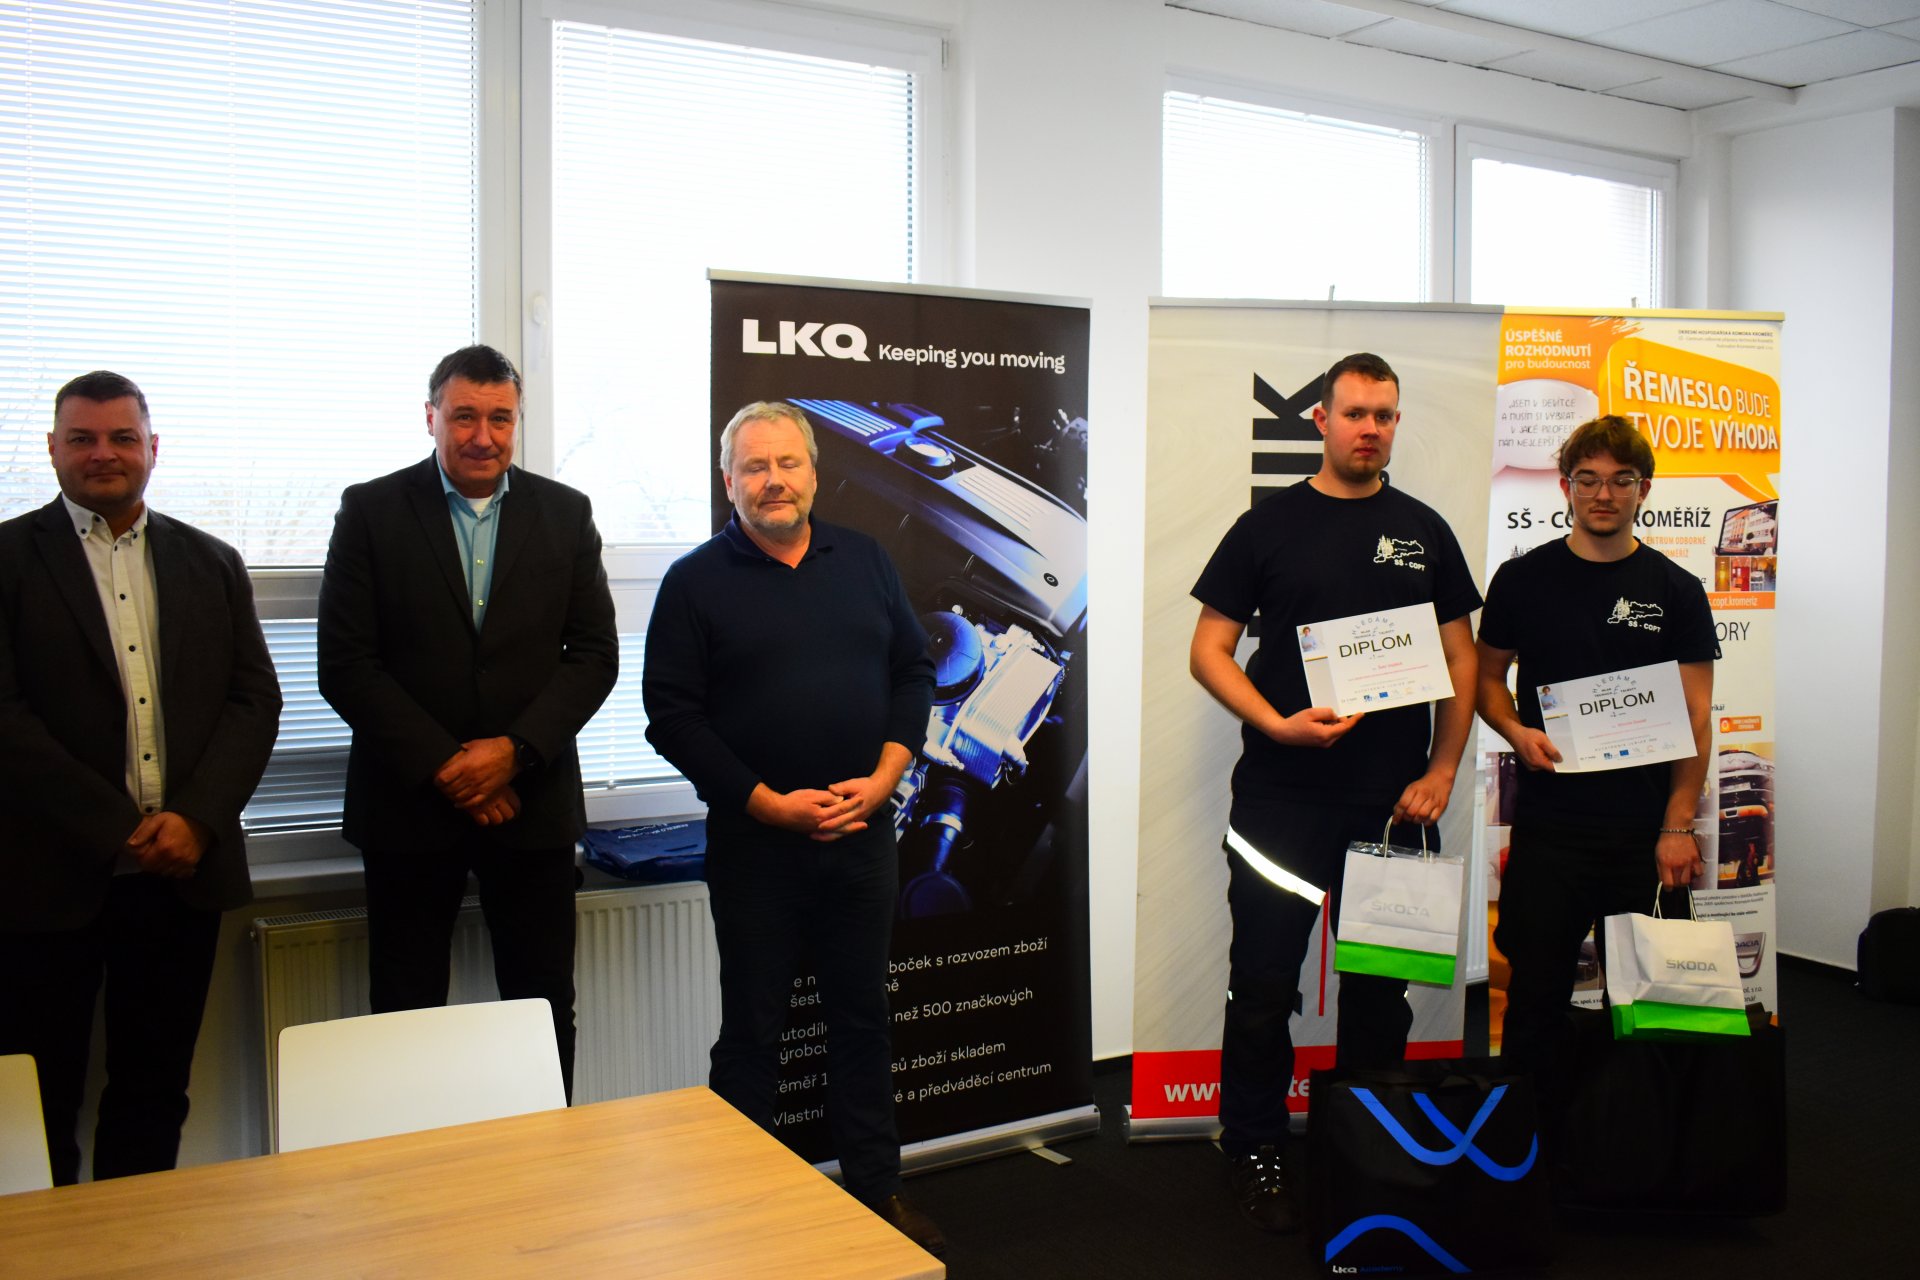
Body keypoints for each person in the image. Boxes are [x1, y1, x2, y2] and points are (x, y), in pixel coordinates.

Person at [641, 401, 943, 1255]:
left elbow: (914, 671)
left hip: (861, 841)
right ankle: (741, 1217)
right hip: (755, 849)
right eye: (754, 467)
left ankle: (877, 1196)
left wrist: (885, 778)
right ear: (728, 481)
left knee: (862, 1022)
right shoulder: (694, 582)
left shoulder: (866, 560)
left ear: (814, 472)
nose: (773, 480)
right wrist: (766, 802)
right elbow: (671, 715)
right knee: (752, 1034)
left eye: (787, 463)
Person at [1188, 352, 1480, 1233]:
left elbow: (1460, 659)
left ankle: (1366, 1146)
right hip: (1279, 801)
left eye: (1384, 416)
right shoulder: (1267, 525)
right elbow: (1208, 650)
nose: (1370, 430)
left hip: (1392, 806)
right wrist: (1275, 725)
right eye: (1355, 413)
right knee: (1262, 985)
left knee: (1381, 991)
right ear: (1320, 419)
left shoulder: (1424, 531)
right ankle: (1252, 1145)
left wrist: (1441, 771)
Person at [0, 370, 282, 1184]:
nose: (104, 454)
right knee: (37, 1099)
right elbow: (4, 718)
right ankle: (46, 1247)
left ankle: (137, 1243)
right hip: (47, 880)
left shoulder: (213, 562)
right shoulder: (8, 560)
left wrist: (197, 818)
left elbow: (254, 701)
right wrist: (116, 829)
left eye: (122, 437)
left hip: (180, 876)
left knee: (154, 1091)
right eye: (83, 438)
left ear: (153, 448)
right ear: (53, 448)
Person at [317, 345, 617, 1099]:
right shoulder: (371, 512)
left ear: (517, 421)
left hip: (532, 802)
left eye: (500, 418)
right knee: (406, 1008)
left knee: (542, 1006)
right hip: (408, 807)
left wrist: (513, 754)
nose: (483, 436)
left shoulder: (565, 513)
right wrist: (452, 768)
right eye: (464, 417)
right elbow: (347, 664)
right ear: (431, 417)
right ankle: (417, 1169)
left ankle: (545, 1161)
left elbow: (594, 657)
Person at [1475, 414, 1717, 1101]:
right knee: (1533, 1003)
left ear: (1644, 489)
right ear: (1565, 487)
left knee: (1645, 1009)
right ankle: (1525, 1143)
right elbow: (1487, 679)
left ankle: (1636, 1141)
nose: (1603, 494)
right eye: (1587, 479)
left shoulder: (1676, 590)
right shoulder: (1522, 580)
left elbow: (1696, 717)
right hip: (1550, 833)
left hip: (1642, 837)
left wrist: (1677, 826)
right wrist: (1516, 730)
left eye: (1620, 480)